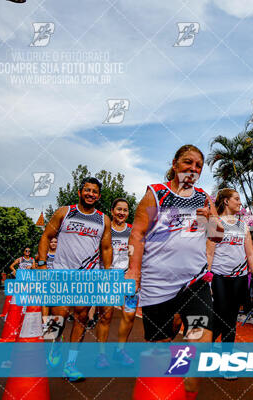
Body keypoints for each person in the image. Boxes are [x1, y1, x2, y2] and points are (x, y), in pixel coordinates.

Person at [126, 144, 223, 400]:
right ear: (174, 164)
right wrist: (134, 271)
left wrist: (210, 220)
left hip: (195, 282)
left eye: (198, 165)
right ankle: (167, 385)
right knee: (160, 347)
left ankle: (184, 390)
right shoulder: (156, 194)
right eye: (187, 162)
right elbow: (137, 234)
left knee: (199, 345)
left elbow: (217, 236)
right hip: (158, 286)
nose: (193, 169)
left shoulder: (203, 197)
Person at [37, 177, 112, 382]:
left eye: (95, 191)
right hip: (61, 272)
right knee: (58, 316)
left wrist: (107, 273)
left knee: (81, 318)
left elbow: (106, 248)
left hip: (89, 276)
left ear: (98, 195)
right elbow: (45, 236)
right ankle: (55, 345)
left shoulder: (103, 219)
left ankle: (70, 365)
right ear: (80, 192)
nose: (90, 194)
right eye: (87, 190)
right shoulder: (65, 212)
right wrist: (43, 265)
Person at [207, 188, 253, 378]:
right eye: (236, 199)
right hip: (219, 277)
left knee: (230, 319)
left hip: (239, 279)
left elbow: (250, 255)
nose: (240, 203)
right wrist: (207, 278)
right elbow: (210, 253)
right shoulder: (216, 224)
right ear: (225, 202)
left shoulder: (243, 226)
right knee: (220, 317)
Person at [94, 198, 136, 368]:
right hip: (107, 277)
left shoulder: (132, 231)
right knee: (106, 317)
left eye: (125, 210)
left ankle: (120, 351)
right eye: (119, 209)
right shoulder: (104, 230)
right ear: (112, 211)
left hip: (128, 277)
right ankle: (101, 355)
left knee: (130, 315)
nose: (122, 213)